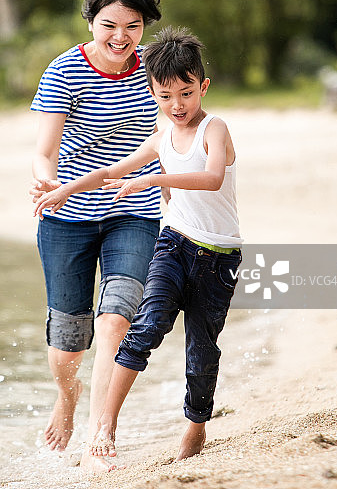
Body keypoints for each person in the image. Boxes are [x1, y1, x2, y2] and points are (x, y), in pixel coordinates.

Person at [34, 27, 242, 463]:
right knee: (140, 327)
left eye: (186, 94)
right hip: (174, 244)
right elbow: (114, 170)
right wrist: (64, 190)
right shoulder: (162, 136)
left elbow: (212, 178)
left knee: (201, 349)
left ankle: (195, 425)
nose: (177, 106)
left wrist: (153, 179)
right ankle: (104, 426)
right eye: (165, 97)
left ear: (203, 87)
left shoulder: (214, 129)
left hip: (219, 256)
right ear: (153, 93)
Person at [29, 0, 162, 472]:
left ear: (144, 27)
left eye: (133, 26)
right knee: (67, 348)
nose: (121, 36)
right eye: (110, 24)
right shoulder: (64, 70)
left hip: (135, 211)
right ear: (91, 21)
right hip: (67, 216)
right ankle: (67, 396)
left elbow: (181, 116)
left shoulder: (155, 66)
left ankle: (100, 434)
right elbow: (44, 150)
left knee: (115, 322)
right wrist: (43, 184)